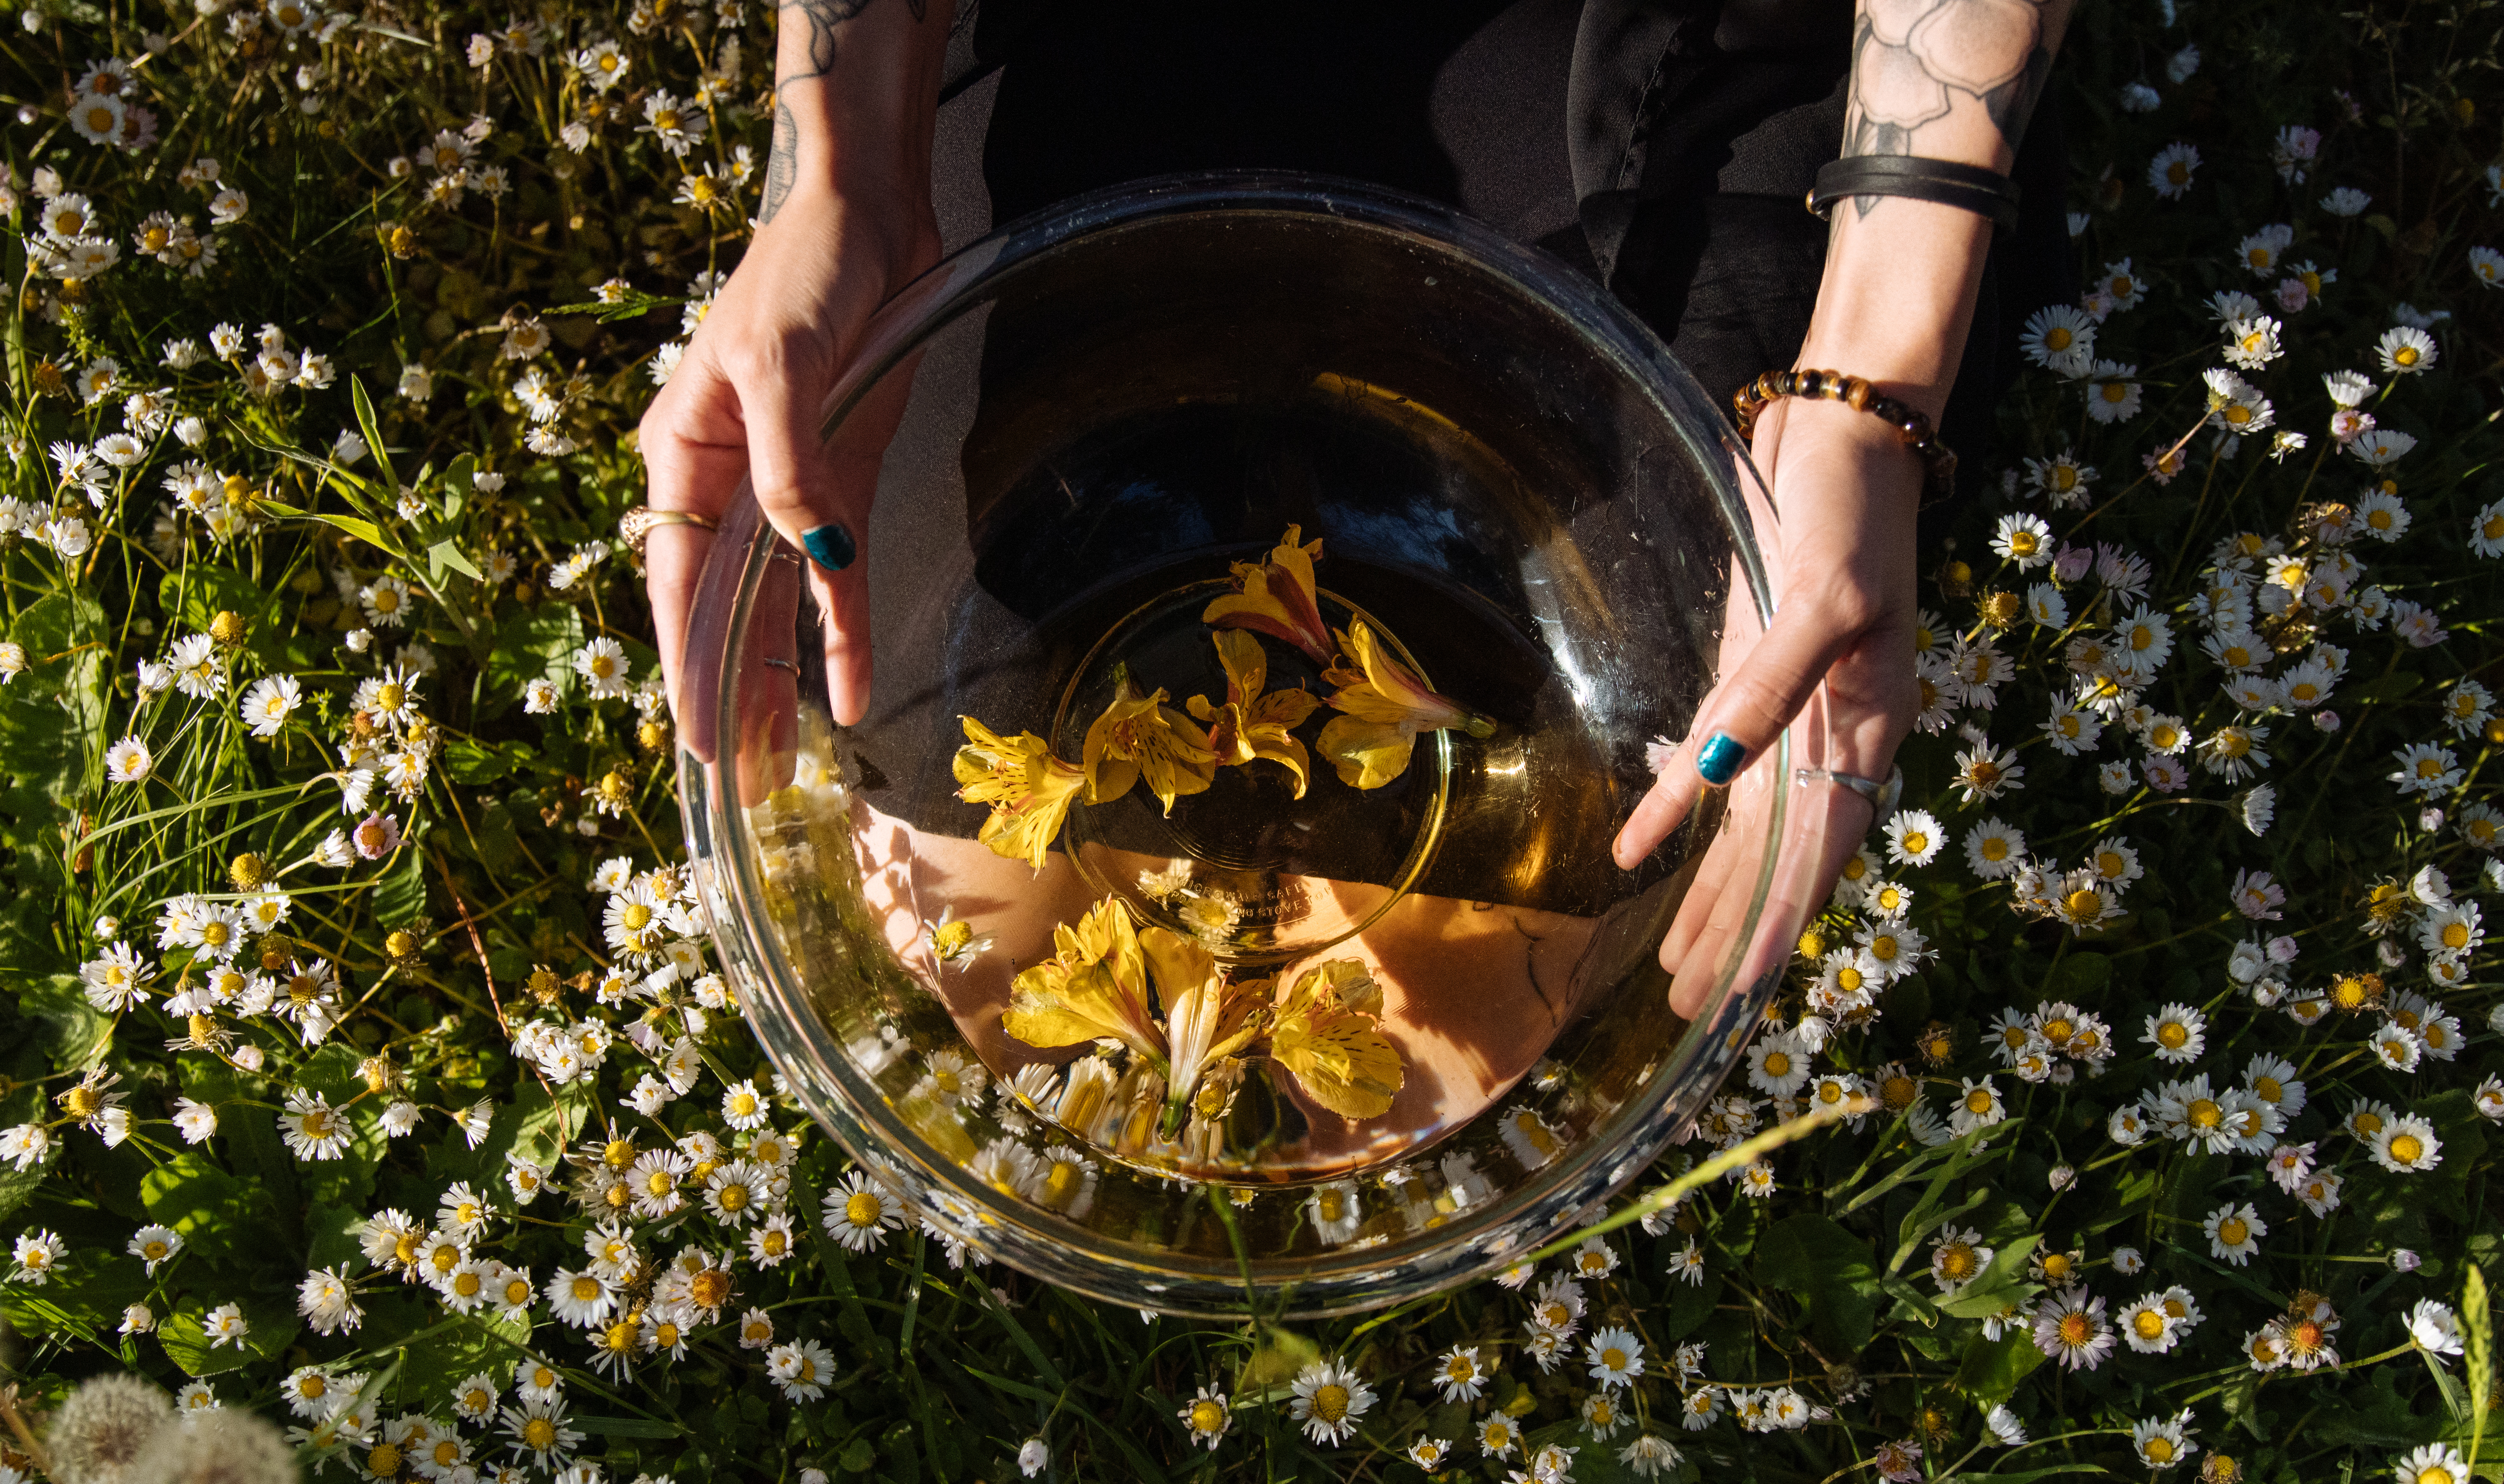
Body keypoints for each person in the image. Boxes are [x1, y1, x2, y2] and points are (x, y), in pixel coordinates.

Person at [638, 0, 2078, 1014]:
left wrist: (1865, 390)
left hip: (1632, 68)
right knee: (993, 935)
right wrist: (846, 179)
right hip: (1118, 47)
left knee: (1513, 924)